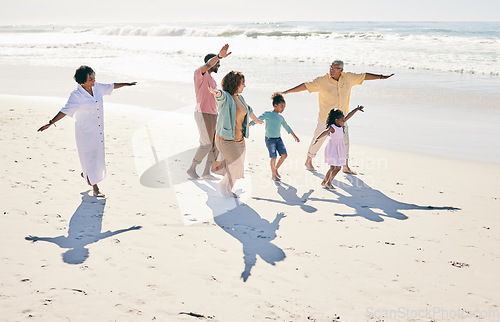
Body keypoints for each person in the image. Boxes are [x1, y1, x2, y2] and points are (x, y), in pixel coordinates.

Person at [37, 65, 136, 197]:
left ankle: (86, 175)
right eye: (90, 79)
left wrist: (127, 84)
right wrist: (50, 123)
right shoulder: (76, 96)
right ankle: (95, 187)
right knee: (89, 158)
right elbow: (65, 110)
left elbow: (112, 86)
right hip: (85, 133)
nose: (94, 81)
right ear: (82, 81)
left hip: (98, 131)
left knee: (98, 157)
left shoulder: (97, 88)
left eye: (94, 78)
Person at [281, 60, 393, 174]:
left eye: (335, 68)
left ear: (341, 70)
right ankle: (308, 160)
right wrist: (287, 92)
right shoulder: (322, 80)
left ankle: (345, 166)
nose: (331, 70)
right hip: (325, 118)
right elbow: (305, 85)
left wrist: (382, 77)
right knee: (318, 139)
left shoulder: (349, 77)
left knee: (345, 142)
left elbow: (364, 76)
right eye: (331, 67)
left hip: (341, 120)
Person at [208, 71, 263, 197]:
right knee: (236, 165)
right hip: (226, 139)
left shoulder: (240, 98)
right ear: (235, 83)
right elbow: (220, 96)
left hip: (239, 139)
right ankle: (223, 185)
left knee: (238, 167)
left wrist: (256, 120)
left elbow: (248, 110)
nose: (244, 86)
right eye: (242, 83)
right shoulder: (226, 97)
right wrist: (216, 92)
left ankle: (228, 189)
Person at [187, 44, 232, 180]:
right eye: (217, 63)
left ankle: (206, 172)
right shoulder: (199, 74)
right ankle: (192, 169)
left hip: (213, 114)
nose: (219, 66)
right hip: (202, 113)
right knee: (206, 143)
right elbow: (207, 65)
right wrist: (218, 56)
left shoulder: (212, 80)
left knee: (215, 144)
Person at [251, 92, 300, 181]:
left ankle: (275, 169)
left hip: (278, 139)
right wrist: (249, 125)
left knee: (284, 155)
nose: (283, 109)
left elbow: (287, 127)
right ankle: (273, 175)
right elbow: (258, 119)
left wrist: (294, 136)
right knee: (273, 157)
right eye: (282, 106)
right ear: (275, 105)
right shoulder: (268, 114)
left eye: (284, 107)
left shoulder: (280, 118)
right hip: (270, 139)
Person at [313, 106, 365, 189]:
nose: (344, 121)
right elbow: (325, 132)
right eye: (342, 120)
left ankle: (324, 182)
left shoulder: (340, 125)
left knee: (332, 168)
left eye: (344, 119)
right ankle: (328, 183)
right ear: (336, 120)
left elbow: (349, 115)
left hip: (338, 149)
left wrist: (356, 109)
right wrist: (318, 138)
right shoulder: (333, 127)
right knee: (337, 168)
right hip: (333, 149)